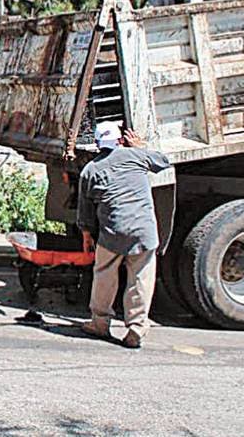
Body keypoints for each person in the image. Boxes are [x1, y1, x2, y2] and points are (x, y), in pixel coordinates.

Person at [77, 121, 172, 349]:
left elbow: (86, 211)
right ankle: (136, 329)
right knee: (140, 278)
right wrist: (140, 146)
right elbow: (164, 162)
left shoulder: (90, 171)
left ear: (97, 144)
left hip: (112, 233)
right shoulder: (135, 156)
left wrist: (87, 235)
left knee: (104, 275)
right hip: (144, 233)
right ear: (120, 140)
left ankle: (100, 323)